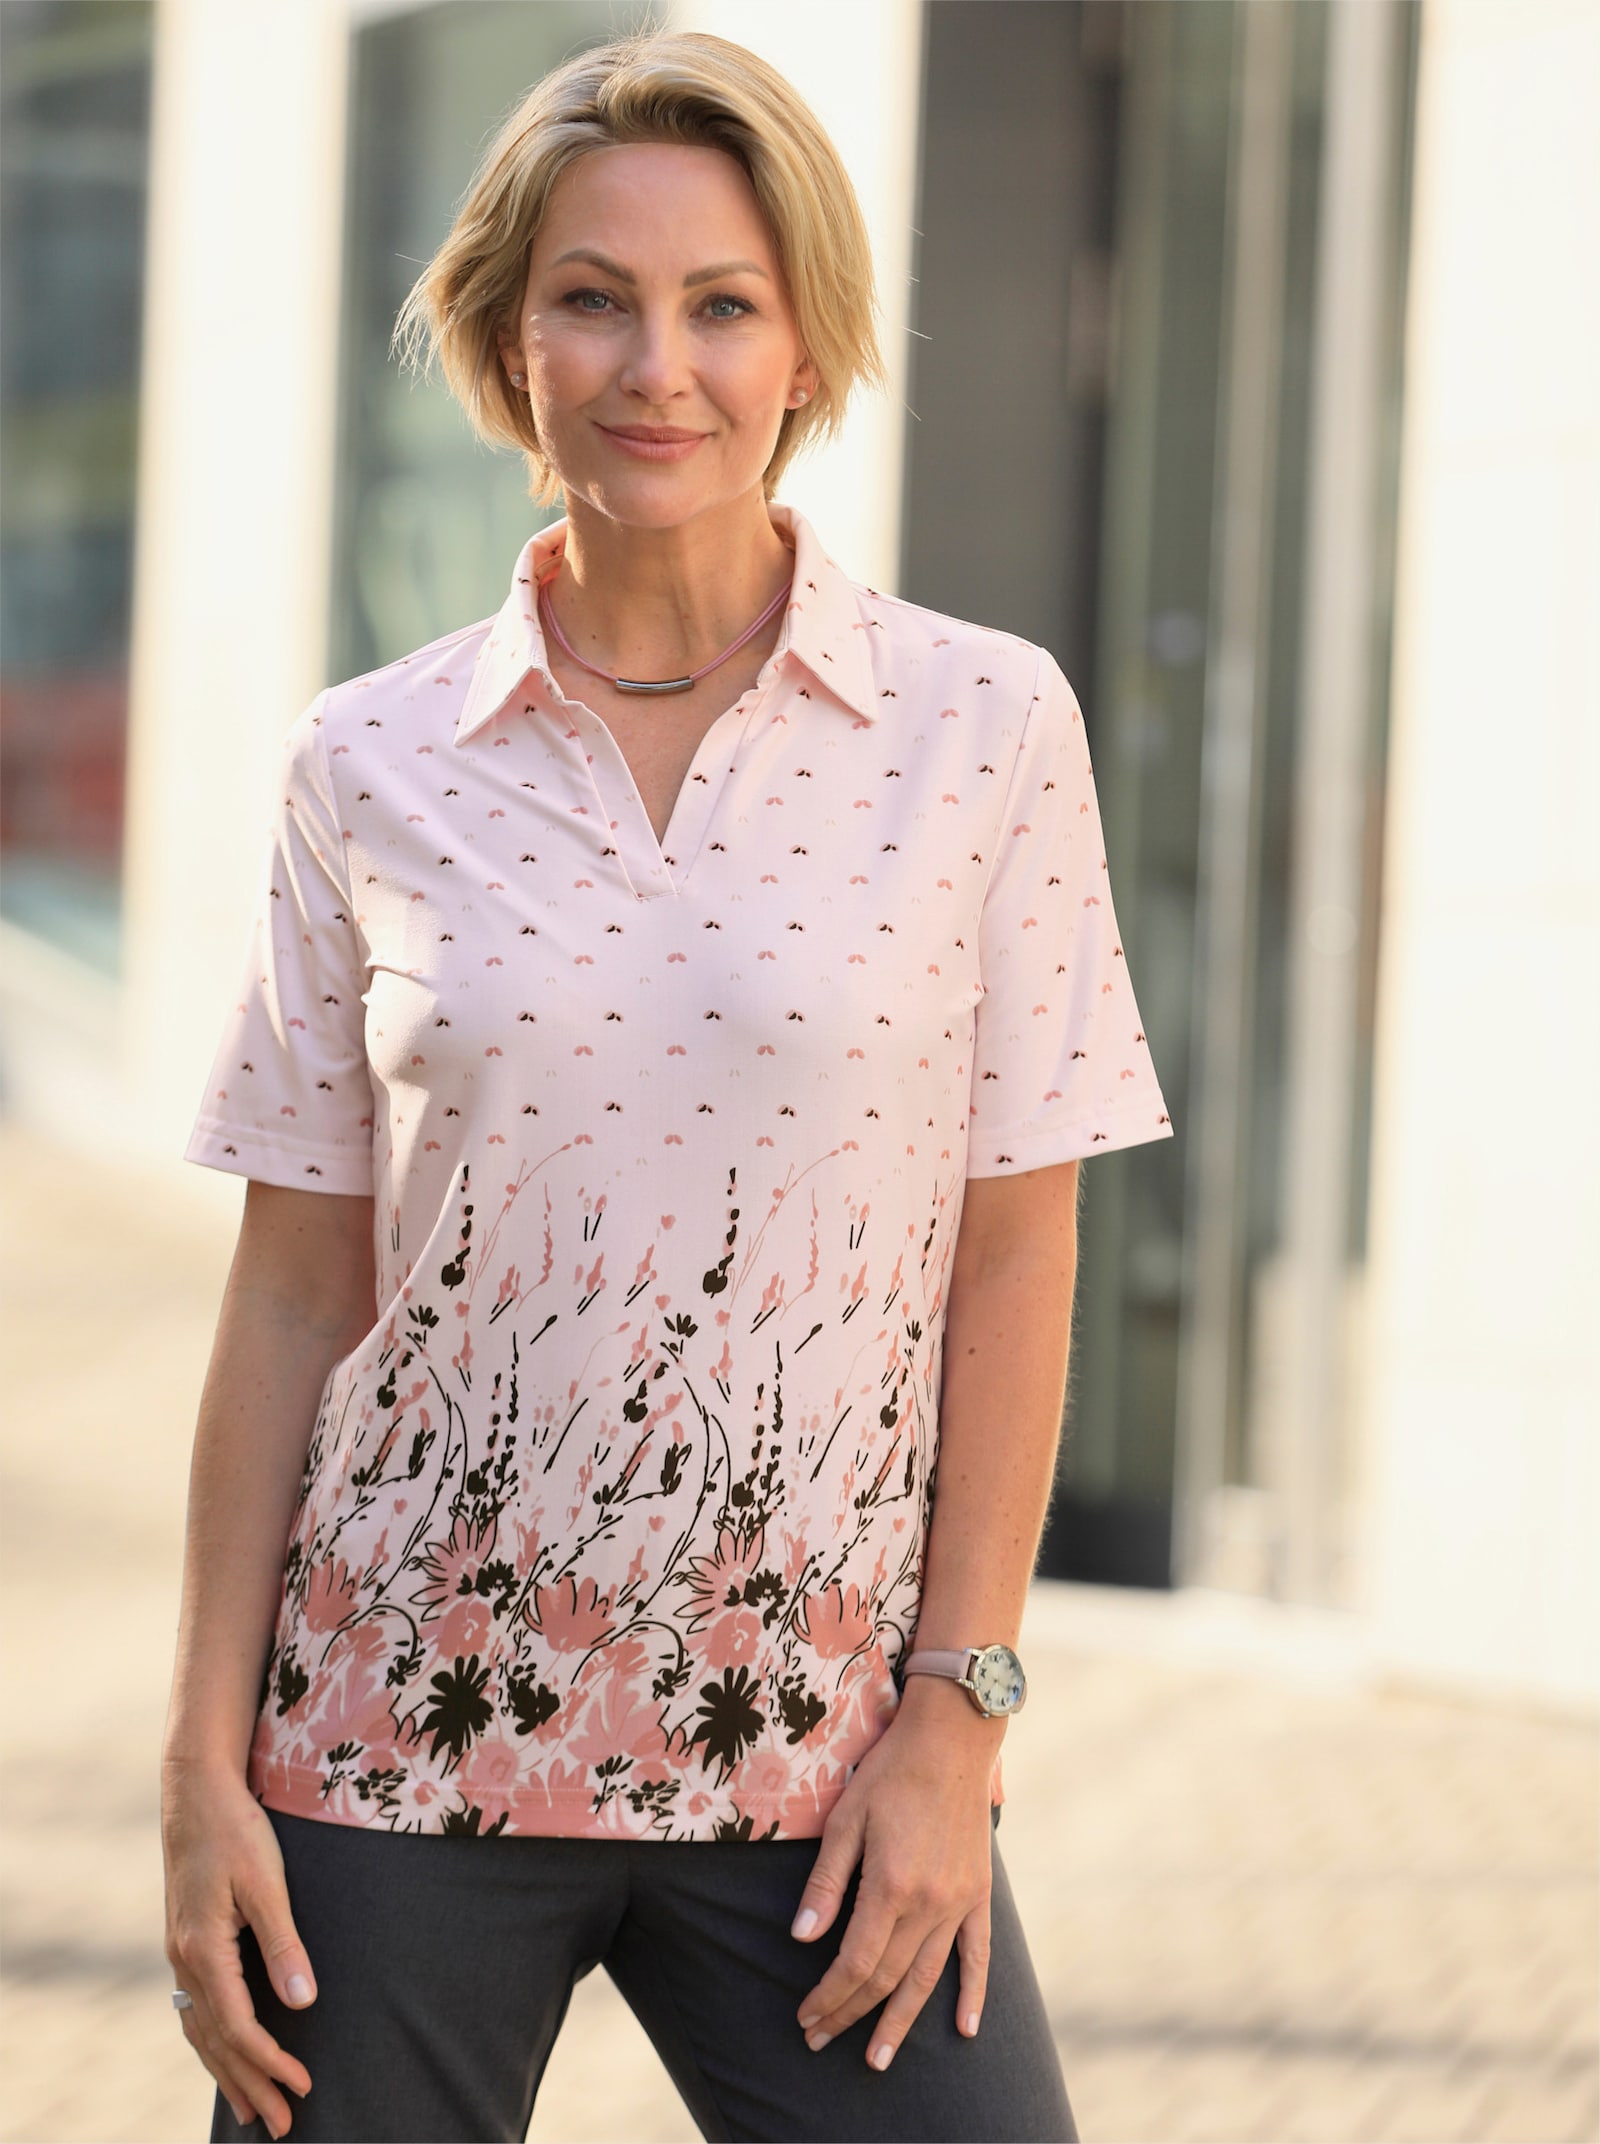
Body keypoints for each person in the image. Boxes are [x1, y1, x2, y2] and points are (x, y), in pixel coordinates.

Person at [160, 26, 1172, 2144]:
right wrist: (196, 1772)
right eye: (590, 298)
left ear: (802, 341)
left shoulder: (977, 731)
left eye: (720, 303)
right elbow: (286, 1292)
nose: (656, 366)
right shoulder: (370, 759)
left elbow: (1013, 1251)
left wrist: (955, 1724)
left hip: (814, 1762)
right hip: (390, 1747)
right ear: (502, 334)